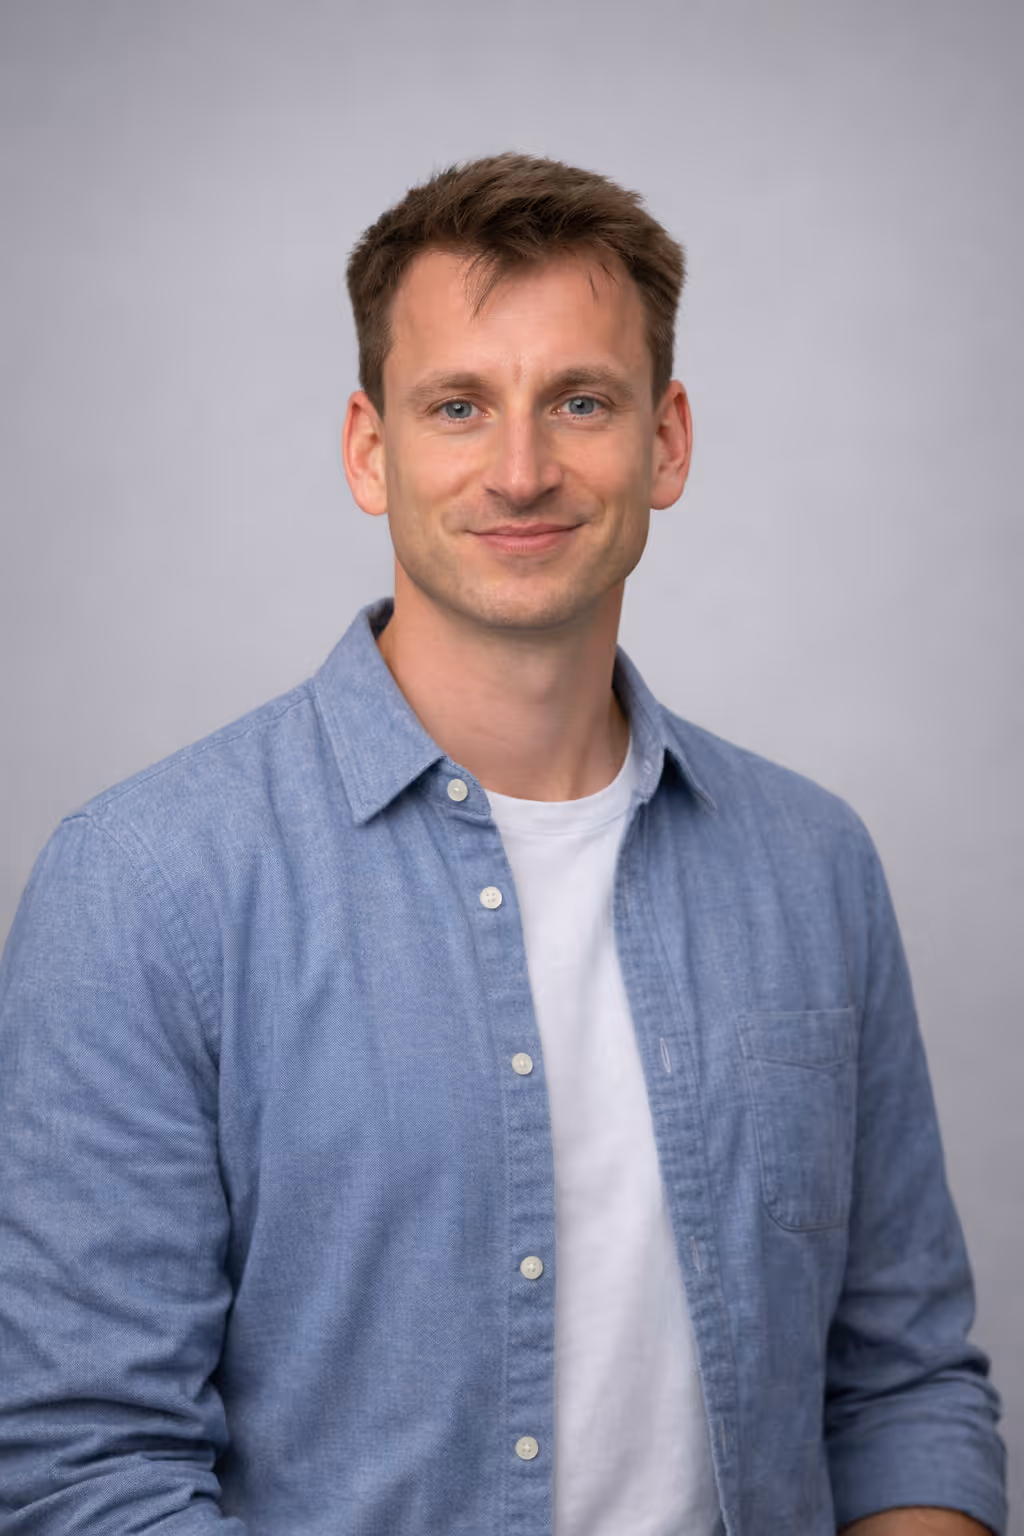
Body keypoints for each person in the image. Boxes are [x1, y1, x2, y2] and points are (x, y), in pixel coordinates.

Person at [0, 153, 1007, 1536]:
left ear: (667, 440)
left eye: (581, 402)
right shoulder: (141, 889)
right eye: (459, 405)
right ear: (372, 448)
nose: (522, 470)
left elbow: (900, 1397)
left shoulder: (814, 867)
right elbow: (86, 1471)